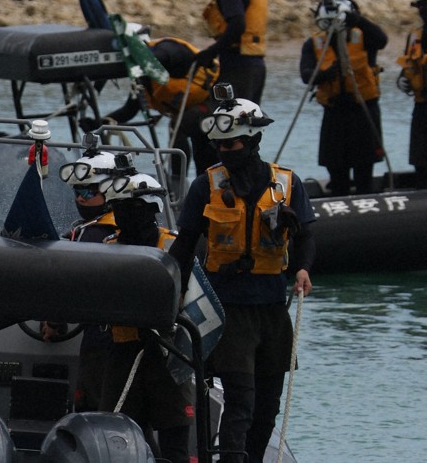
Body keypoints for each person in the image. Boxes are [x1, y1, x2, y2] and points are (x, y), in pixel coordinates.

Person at [167, 86, 316, 463]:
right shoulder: (206, 186)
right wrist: (169, 294)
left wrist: (302, 268)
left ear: (253, 140)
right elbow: (183, 248)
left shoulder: (286, 185)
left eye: (232, 144)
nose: (225, 152)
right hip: (228, 310)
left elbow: (307, 235)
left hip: (271, 310)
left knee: (268, 405)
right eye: (219, 145)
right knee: (240, 399)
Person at [97, 171, 194, 463]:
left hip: (170, 353)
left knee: (175, 438)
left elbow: (198, 303)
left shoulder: (173, 246)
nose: (125, 215)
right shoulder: (107, 249)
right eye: (119, 208)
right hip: (123, 352)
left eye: (132, 208)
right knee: (119, 436)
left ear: (152, 208)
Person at [94, 23, 221, 175]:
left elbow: (159, 57)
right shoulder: (142, 79)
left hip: (213, 102)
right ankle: (189, 185)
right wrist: (97, 124)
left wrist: (136, 59)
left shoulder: (168, 49)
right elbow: (129, 111)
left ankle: (177, 181)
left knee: (179, 126)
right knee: (203, 160)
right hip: (192, 111)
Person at [50, 145, 121, 412]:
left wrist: (55, 319)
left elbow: (70, 282)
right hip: (110, 337)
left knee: (91, 409)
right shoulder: (138, 226)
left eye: (89, 191)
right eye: (77, 191)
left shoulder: (90, 235)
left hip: (103, 341)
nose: (81, 199)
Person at [300, 0, 388, 196]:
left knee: (364, 168)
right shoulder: (313, 44)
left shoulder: (364, 36)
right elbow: (306, 76)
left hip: (363, 110)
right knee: (337, 168)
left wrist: (357, 20)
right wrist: (327, 74)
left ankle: (366, 202)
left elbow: (382, 40)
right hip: (334, 112)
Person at [197, 0, 269, 104]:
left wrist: (210, 52)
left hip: (237, 64)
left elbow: (237, 25)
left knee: (226, 120)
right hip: (256, 63)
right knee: (247, 121)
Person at [396, 0, 427, 188]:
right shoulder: (415, 36)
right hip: (421, 109)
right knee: (421, 161)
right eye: (421, 6)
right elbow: (408, 66)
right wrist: (403, 80)